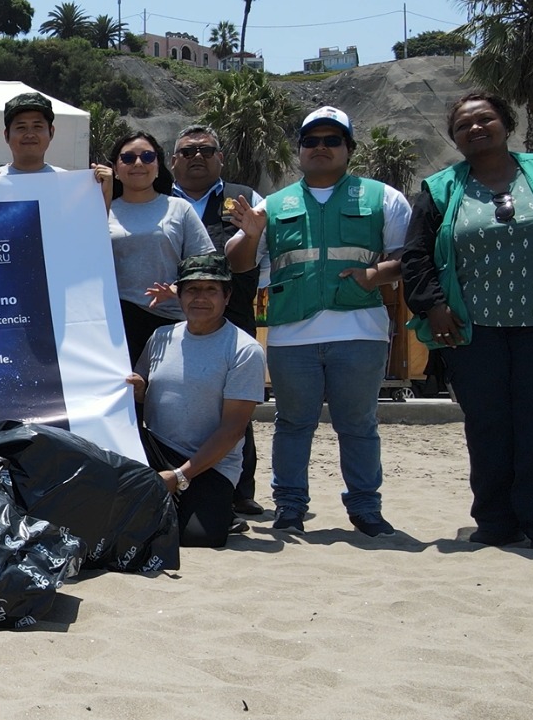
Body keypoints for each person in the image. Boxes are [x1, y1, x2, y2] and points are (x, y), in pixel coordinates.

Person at [401, 92, 533, 551]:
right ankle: (497, 523)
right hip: (472, 333)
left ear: (507, 122)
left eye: (485, 120)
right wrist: (434, 306)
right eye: (464, 125)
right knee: (488, 427)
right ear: (455, 137)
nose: (475, 129)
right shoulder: (440, 188)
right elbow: (416, 256)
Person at [226, 105, 411, 539]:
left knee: (359, 425)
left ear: (349, 148)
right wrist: (252, 234)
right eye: (311, 141)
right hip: (292, 334)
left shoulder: (382, 197)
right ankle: (289, 507)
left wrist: (374, 275)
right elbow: (238, 265)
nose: (321, 147)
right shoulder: (272, 204)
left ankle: (366, 509)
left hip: (361, 331)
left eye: (332, 140)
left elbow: (408, 257)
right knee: (292, 424)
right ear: (299, 151)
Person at [129, 253, 264, 547]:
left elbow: (233, 430)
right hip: (155, 450)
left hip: (209, 464)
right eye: (192, 289)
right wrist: (137, 388)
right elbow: (141, 387)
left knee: (200, 537)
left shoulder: (244, 350)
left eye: (211, 290)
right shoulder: (160, 336)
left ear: (227, 296)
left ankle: (221, 511)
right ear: (180, 295)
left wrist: (178, 476)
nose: (200, 298)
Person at [170, 124, 267, 516]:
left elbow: (259, 256)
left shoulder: (245, 199)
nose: (198, 157)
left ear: (221, 158)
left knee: (233, 408)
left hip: (232, 314)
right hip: (162, 316)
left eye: (207, 150)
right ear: (173, 160)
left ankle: (240, 490)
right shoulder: (153, 195)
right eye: (188, 151)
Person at [106, 132, 215, 365]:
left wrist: (179, 289)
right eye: (128, 158)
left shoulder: (180, 209)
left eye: (147, 157)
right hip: (115, 326)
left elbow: (208, 265)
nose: (138, 163)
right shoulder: (101, 211)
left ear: (158, 166)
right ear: (115, 168)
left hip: (171, 322)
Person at [0, 92, 64, 178]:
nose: (30, 135)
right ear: (6, 135)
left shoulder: (69, 183)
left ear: (51, 132)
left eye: (37, 126)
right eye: (21, 127)